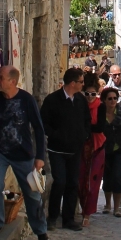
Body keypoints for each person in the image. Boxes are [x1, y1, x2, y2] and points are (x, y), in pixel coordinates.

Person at [0, 65, 49, 240]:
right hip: (0, 152)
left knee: (32, 194)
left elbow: (39, 129)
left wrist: (40, 156)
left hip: (23, 154)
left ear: (12, 81)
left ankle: (41, 231)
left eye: (0, 78)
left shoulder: (26, 100)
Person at [40, 68, 91, 231]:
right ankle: (53, 216)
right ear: (73, 83)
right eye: (81, 82)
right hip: (57, 150)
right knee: (60, 181)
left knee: (72, 183)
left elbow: (87, 120)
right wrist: (55, 135)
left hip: (75, 149)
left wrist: (83, 135)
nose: (83, 85)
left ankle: (68, 218)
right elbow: (44, 123)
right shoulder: (52, 100)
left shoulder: (81, 100)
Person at [99, 89, 121, 217]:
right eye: (110, 98)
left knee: (118, 177)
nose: (113, 101)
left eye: (115, 98)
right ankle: (107, 204)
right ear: (104, 100)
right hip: (105, 149)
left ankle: (116, 207)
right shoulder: (100, 113)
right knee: (107, 177)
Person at [78, 81, 107, 226]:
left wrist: (85, 127)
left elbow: (100, 127)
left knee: (93, 182)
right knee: (80, 179)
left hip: (97, 147)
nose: (89, 97)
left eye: (93, 94)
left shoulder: (100, 106)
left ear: (97, 94)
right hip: (81, 147)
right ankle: (81, 207)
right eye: (87, 94)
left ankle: (87, 213)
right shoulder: (79, 105)